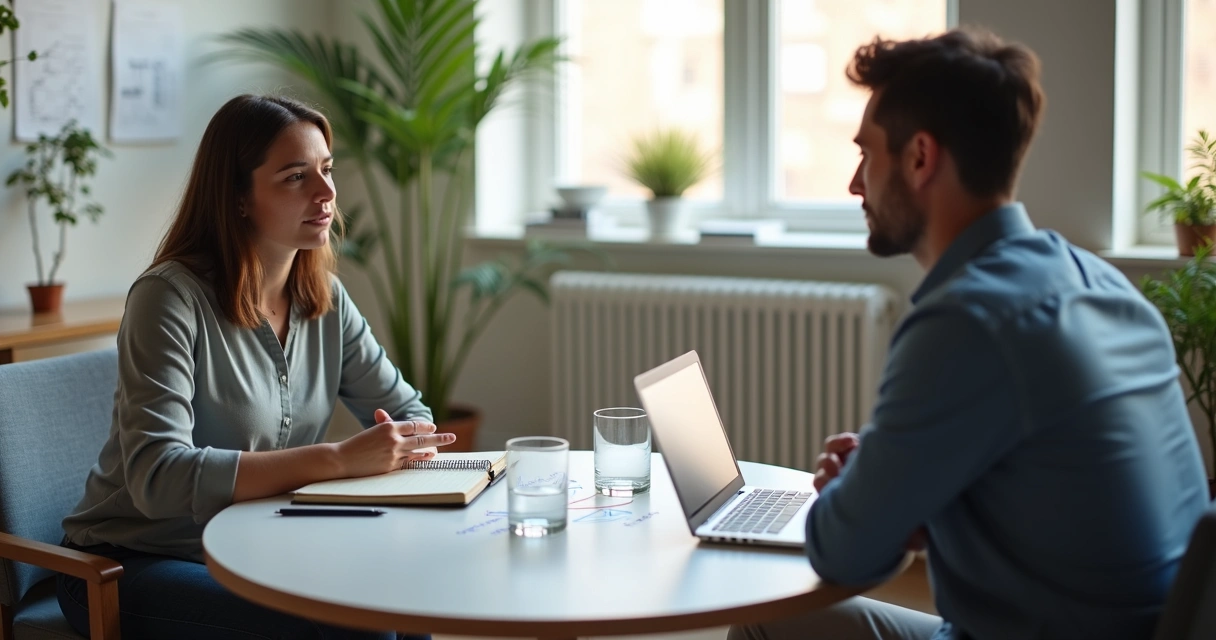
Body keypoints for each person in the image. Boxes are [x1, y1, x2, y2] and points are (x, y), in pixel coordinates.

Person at [730, 28, 1210, 640]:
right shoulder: (1098, 282)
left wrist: (854, 494)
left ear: (920, 158)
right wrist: (897, 479)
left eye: (867, 154)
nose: (855, 183)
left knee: (761, 626)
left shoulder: (967, 321)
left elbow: (843, 555)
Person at [57, 94, 454, 640]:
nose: (326, 193)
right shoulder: (168, 298)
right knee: (348, 624)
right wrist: (338, 460)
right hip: (128, 563)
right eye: (295, 177)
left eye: (327, 170)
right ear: (238, 197)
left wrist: (402, 444)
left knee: (402, 597)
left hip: (257, 546)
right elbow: (158, 478)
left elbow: (412, 416)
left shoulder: (326, 300)